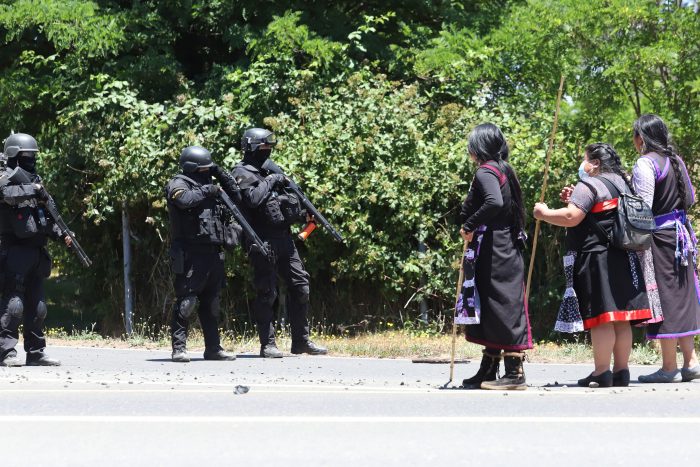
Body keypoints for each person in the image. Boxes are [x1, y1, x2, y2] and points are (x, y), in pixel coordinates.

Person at [534, 143, 651, 387]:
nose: (583, 164)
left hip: (599, 259)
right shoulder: (623, 182)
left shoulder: (589, 184)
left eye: (585, 159)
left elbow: (571, 217)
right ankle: (621, 371)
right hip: (625, 255)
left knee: (602, 318)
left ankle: (601, 372)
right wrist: (572, 200)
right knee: (621, 318)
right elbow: (595, 211)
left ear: (595, 163)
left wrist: (543, 213)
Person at [231, 128, 327, 358]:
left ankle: (301, 341)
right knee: (267, 292)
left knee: (301, 286)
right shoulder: (242, 172)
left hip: (284, 237)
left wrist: (304, 214)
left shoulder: (271, 169)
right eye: (263, 147)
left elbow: (290, 198)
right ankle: (268, 344)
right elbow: (252, 200)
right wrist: (272, 180)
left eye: (269, 148)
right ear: (251, 147)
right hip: (261, 239)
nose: (267, 152)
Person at [458, 123, 531, 390]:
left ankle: (514, 372)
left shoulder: (486, 172)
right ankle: (488, 368)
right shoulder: (502, 169)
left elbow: (494, 203)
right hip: (499, 244)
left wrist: (469, 225)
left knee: (502, 305)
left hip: (495, 246)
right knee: (492, 305)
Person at [631, 114, 700, 383]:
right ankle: (691, 361)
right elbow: (691, 199)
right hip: (681, 237)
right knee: (682, 297)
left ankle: (669, 367)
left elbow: (642, 207)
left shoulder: (645, 164)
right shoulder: (676, 161)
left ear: (642, 138)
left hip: (659, 239)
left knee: (665, 299)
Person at [0, 133, 72, 367]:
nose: (31, 160)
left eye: (33, 156)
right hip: (14, 252)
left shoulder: (34, 180)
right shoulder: (5, 178)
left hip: (37, 252)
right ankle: (6, 352)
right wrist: (34, 189)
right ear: (14, 155)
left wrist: (63, 235)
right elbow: (7, 195)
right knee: (14, 306)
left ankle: (36, 352)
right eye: (26, 156)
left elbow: (45, 218)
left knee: (38, 307)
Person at [165, 145, 237, 363]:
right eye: (204, 168)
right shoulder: (178, 183)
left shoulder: (210, 183)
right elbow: (184, 200)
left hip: (213, 253)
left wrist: (219, 172)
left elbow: (236, 194)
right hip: (190, 253)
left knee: (212, 304)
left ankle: (213, 349)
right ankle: (179, 349)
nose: (207, 172)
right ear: (192, 168)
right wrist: (208, 190)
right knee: (187, 302)